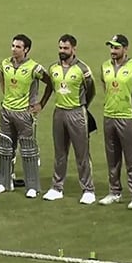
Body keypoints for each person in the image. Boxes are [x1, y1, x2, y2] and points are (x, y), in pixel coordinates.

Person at [0, 34, 52, 197]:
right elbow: (1, 75)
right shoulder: (5, 63)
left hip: (24, 114)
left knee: (28, 150)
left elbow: (50, 83)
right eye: (13, 45)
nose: (14, 49)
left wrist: (41, 103)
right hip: (6, 111)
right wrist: (6, 94)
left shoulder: (35, 68)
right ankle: (4, 183)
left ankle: (32, 186)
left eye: (18, 47)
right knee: (5, 147)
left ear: (26, 50)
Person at [42, 34, 97, 204]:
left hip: (76, 112)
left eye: (66, 48)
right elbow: (51, 86)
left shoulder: (82, 69)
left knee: (82, 153)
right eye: (60, 48)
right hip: (59, 112)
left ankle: (88, 189)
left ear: (74, 48)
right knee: (60, 152)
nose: (62, 51)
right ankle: (57, 187)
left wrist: (81, 106)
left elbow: (91, 90)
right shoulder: (53, 68)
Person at [98, 34, 132, 209]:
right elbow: (106, 86)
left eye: (116, 48)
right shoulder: (105, 67)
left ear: (125, 49)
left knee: (131, 158)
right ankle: (114, 192)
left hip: (127, 118)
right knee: (112, 157)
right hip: (109, 116)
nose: (113, 51)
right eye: (111, 47)